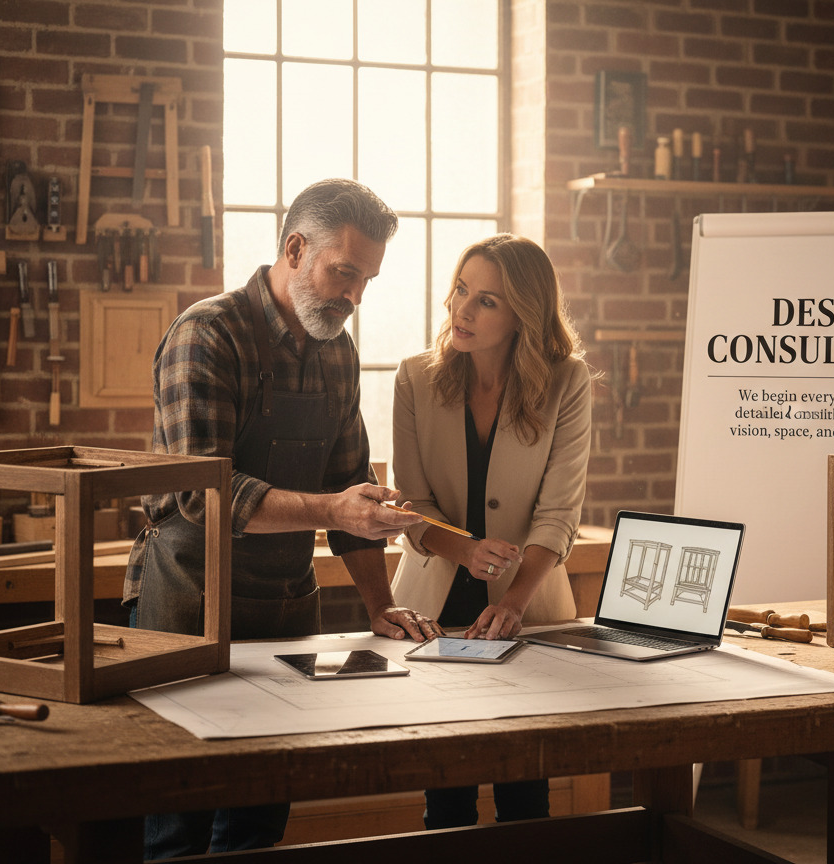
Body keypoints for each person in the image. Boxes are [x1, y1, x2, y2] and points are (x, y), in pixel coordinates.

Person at [124, 178, 438, 859]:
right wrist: (332, 508)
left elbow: (345, 483)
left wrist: (380, 606)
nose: (353, 299)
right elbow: (205, 495)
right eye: (343, 274)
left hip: (287, 607)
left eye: (366, 281)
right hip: (190, 605)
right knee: (177, 822)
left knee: (260, 819)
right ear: (295, 248)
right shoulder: (207, 335)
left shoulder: (336, 352)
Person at [390, 233, 592, 828]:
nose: (461, 309)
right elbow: (412, 505)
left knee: (525, 795)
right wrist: (467, 549)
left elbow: (558, 514)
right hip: (430, 609)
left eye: (486, 301)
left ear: (523, 313)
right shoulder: (414, 379)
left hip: (528, 605)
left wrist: (512, 601)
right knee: (445, 799)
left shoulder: (566, 381)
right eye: (460, 290)